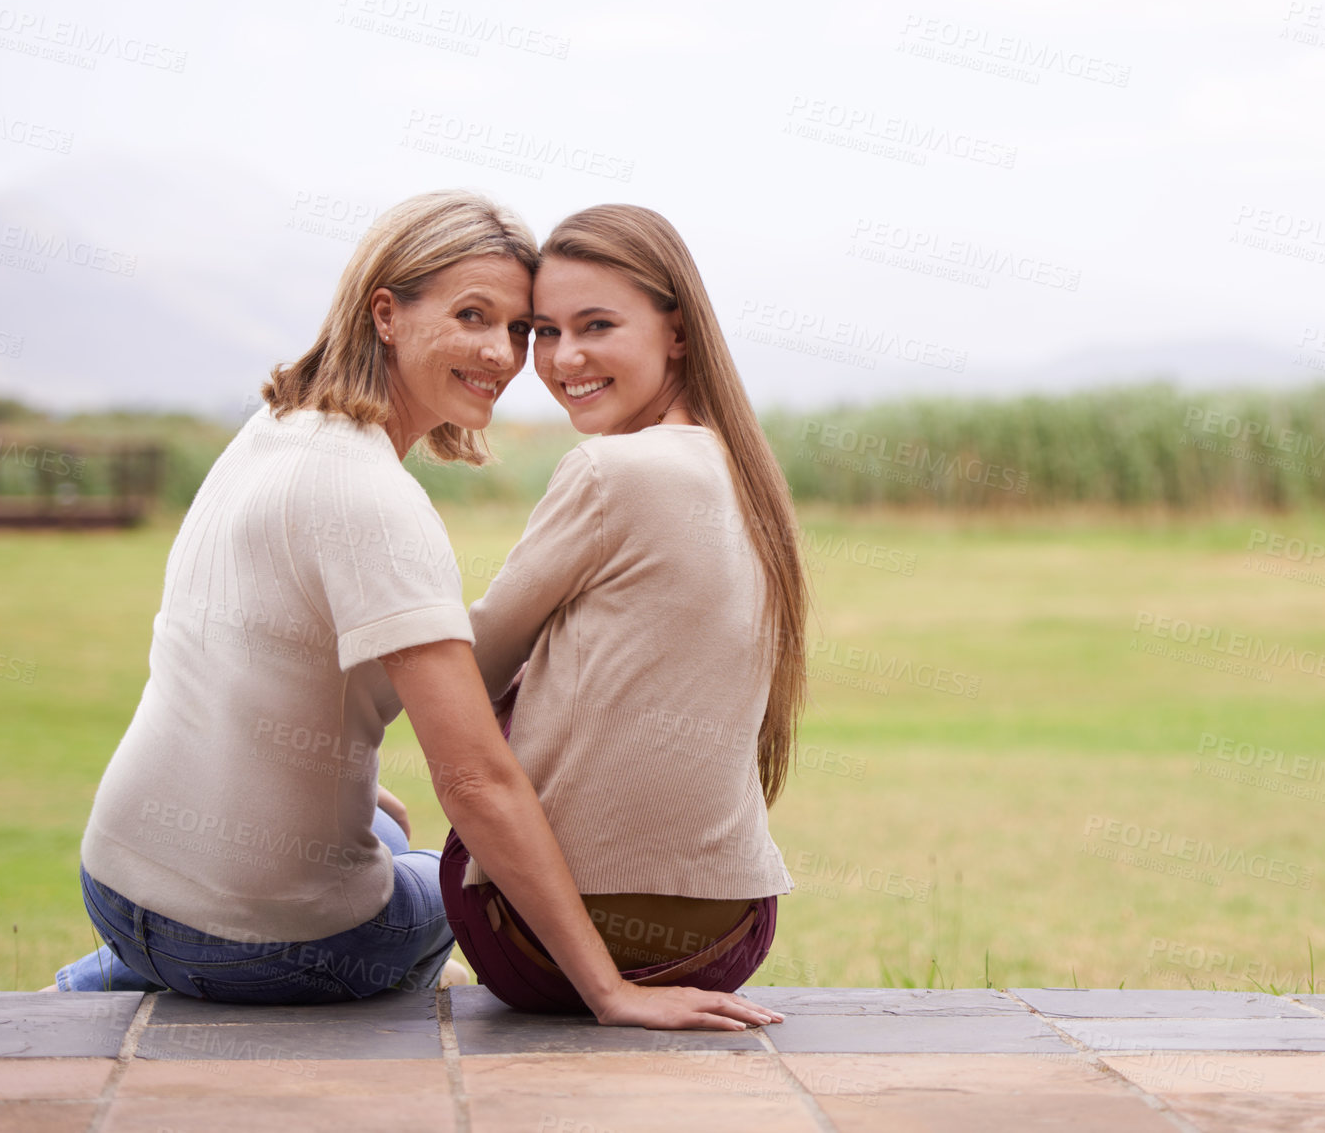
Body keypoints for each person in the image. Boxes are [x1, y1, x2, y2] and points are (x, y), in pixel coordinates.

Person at [49, 190, 781, 1030]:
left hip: (114, 879)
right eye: (475, 316)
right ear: (386, 314)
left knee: (387, 839)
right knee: (436, 877)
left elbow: (257, 673)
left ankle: (108, 969)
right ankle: (142, 970)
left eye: (517, 328)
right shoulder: (380, 503)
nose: (504, 355)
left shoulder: (271, 430)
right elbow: (473, 779)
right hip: (251, 942)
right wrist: (608, 991)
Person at [442, 204, 809, 1013]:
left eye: (596, 325)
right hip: (730, 935)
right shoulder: (745, 471)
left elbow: (466, 671)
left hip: (546, 939)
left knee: (394, 874)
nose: (564, 357)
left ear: (676, 331)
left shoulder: (611, 469)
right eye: (543, 331)